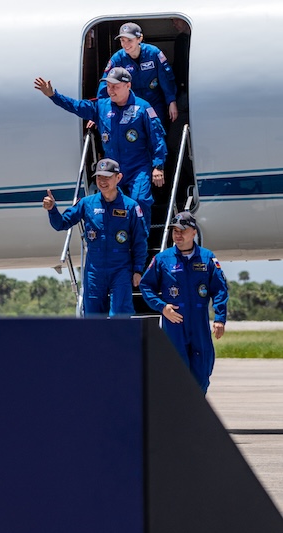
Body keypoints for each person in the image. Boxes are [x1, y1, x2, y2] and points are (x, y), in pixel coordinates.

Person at [35, 70, 167, 233]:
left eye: (115, 87)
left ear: (128, 85)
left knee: (139, 200)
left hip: (137, 167)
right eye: (109, 86)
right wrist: (53, 95)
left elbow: (157, 137)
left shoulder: (143, 108)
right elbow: (76, 106)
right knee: (111, 206)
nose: (110, 91)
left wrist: (158, 166)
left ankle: (139, 243)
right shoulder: (102, 107)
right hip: (112, 169)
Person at [43, 158, 147, 317]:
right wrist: (52, 210)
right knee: (93, 318)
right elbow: (62, 224)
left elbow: (140, 241)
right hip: (94, 271)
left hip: (120, 269)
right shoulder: (87, 204)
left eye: (107, 177)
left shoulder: (131, 206)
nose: (102, 181)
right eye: (99, 177)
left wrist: (138, 270)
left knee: (120, 314)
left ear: (118, 178)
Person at [139, 212, 228, 393]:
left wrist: (220, 318)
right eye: (174, 231)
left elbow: (219, 289)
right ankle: (179, 416)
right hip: (174, 324)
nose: (177, 235)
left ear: (193, 232)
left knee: (202, 372)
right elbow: (146, 286)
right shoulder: (163, 259)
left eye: (182, 230)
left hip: (199, 324)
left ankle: (194, 414)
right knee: (175, 373)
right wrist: (162, 307)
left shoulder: (207, 258)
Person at [98, 22, 178, 126]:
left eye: (129, 40)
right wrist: (99, 110)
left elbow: (166, 78)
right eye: (122, 41)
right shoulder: (117, 59)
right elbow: (106, 85)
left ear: (139, 39)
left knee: (156, 134)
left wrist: (172, 102)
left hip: (155, 104)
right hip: (130, 106)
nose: (126, 45)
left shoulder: (154, 53)